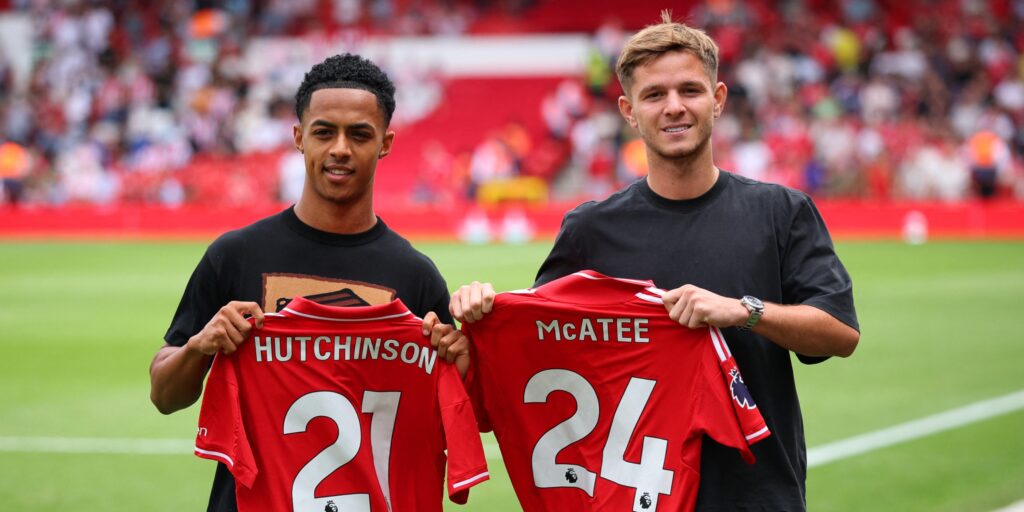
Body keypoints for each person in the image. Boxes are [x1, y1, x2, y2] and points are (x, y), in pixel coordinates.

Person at [451, 12, 860, 511]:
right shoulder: (591, 229)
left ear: (718, 99)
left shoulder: (781, 212)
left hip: (757, 497)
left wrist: (744, 310)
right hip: (632, 495)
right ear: (628, 110)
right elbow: (538, 354)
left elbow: (840, 333)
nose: (674, 108)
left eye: (690, 90)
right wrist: (480, 317)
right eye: (654, 95)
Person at [149, 53, 467, 512]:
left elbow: (463, 412)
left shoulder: (415, 276)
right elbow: (163, 395)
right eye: (324, 132)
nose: (340, 148)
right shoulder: (234, 255)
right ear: (299, 137)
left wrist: (463, 360)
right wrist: (201, 345)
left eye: (359, 134)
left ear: (386, 143)